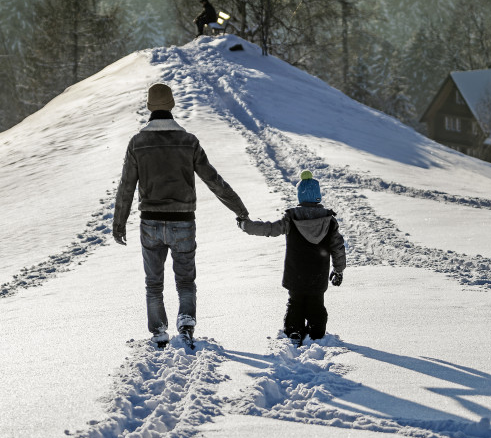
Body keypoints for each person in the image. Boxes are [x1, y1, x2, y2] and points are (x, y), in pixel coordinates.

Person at [113, 81, 249, 348]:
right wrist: (239, 209)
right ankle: (186, 324)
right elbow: (214, 180)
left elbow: (126, 186)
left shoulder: (137, 143)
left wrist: (119, 224)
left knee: (154, 283)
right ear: (172, 105)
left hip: (150, 222)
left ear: (149, 106)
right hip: (183, 222)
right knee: (185, 280)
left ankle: (159, 332)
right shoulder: (189, 142)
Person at [238, 170, 346, 345]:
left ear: (300, 197)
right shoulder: (329, 221)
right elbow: (338, 248)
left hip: (295, 273)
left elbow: (270, 229)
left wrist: (247, 226)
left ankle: (294, 331)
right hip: (318, 275)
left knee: (295, 303)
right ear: (318, 197)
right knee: (316, 304)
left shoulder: (292, 219)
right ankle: (317, 333)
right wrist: (338, 270)